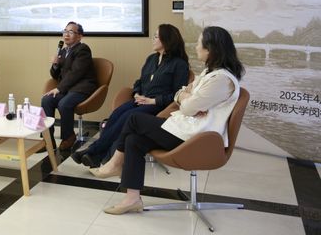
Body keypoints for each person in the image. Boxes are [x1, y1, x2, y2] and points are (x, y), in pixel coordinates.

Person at [89, 26, 244, 215]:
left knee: (135, 119)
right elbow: (181, 93)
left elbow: (186, 107)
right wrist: (186, 96)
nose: (196, 47)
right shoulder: (208, 74)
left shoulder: (221, 80)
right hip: (185, 128)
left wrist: (187, 99)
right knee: (134, 140)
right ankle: (132, 199)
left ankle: (115, 163)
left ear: (210, 48)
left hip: (197, 138)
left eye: (199, 43)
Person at [72, 24, 189, 167]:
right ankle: (95, 156)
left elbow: (178, 95)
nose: (153, 39)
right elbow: (139, 81)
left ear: (166, 40)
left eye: (156, 37)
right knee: (116, 114)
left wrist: (153, 101)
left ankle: (92, 151)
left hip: (158, 106)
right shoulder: (151, 59)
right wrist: (136, 93)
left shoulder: (179, 64)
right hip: (140, 101)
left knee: (126, 117)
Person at [41, 21, 97, 151]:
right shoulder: (63, 51)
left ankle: (68, 137)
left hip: (81, 87)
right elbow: (55, 76)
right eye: (65, 31)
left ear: (80, 36)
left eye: (71, 32)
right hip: (68, 88)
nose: (66, 34)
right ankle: (47, 139)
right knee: (47, 100)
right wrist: (55, 64)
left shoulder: (83, 49)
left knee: (64, 104)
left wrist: (59, 88)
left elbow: (76, 73)